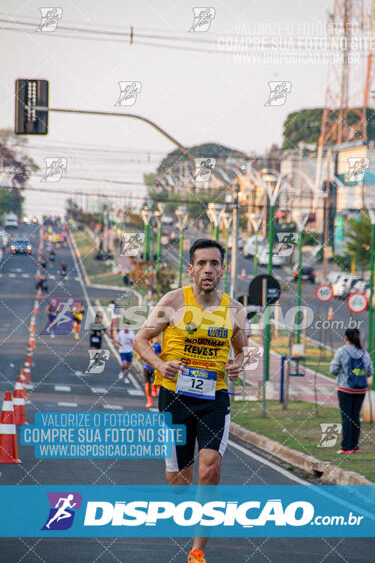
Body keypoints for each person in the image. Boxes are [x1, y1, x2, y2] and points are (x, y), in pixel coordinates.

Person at [133, 238, 247, 563]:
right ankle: (177, 475)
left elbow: (243, 352)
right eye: (202, 263)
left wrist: (239, 365)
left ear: (222, 269)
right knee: (180, 484)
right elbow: (141, 339)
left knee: (210, 469)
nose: (208, 269)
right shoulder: (173, 301)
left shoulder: (234, 309)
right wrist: (158, 364)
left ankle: (197, 551)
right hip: (174, 397)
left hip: (215, 397)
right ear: (191, 269)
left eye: (214, 263)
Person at [330, 328, 373, 454]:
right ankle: (355, 447)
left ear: (346, 338)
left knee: (346, 417)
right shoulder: (364, 353)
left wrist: (343, 373)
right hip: (360, 390)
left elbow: (333, 369)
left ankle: (347, 447)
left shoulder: (342, 351)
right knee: (355, 416)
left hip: (345, 389)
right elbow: (369, 372)